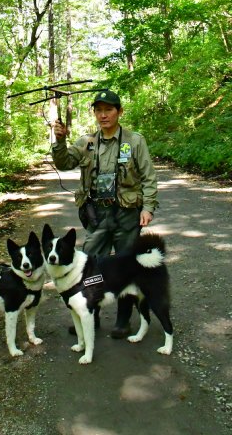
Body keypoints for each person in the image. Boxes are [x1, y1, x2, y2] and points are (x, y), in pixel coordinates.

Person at [51, 89, 158, 338]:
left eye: (108, 110)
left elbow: (148, 176)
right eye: (98, 110)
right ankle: (92, 313)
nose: (103, 115)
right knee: (90, 266)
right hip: (97, 214)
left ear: (119, 112)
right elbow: (64, 163)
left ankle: (123, 320)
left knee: (124, 265)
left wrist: (148, 207)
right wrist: (59, 141)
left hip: (127, 214)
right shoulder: (86, 142)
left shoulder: (134, 141)